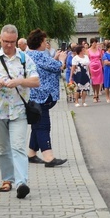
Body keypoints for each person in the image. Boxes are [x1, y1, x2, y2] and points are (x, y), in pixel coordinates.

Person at [0, 24, 40, 198]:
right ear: (0, 39)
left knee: (18, 146)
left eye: (11, 42)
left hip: (19, 111)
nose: (8, 45)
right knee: (2, 149)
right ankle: (7, 179)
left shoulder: (24, 58)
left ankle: (21, 183)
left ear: (17, 40)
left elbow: (35, 81)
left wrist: (19, 81)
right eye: (5, 41)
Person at [25, 28, 68, 168]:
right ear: (40, 42)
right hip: (42, 96)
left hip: (32, 96)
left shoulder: (27, 54)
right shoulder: (40, 55)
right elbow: (58, 67)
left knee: (37, 126)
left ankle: (31, 154)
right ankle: (49, 157)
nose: (46, 43)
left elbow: (46, 66)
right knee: (43, 126)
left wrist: (54, 59)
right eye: (45, 41)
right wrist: (61, 59)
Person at [87, 38, 104, 103]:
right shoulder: (88, 50)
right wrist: (88, 69)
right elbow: (87, 59)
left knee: (98, 81)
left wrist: (102, 66)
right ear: (91, 43)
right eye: (93, 42)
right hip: (91, 66)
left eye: (95, 42)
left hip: (98, 65)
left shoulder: (99, 50)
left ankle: (97, 94)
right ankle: (94, 94)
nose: (94, 44)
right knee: (93, 81)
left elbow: (101, 58)